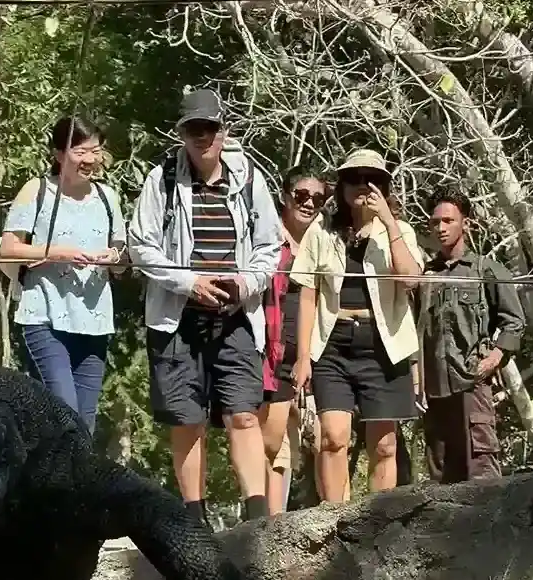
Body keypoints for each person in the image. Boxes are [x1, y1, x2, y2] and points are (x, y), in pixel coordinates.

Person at [127, 88, 282, 527]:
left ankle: (258, 520)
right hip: (177, 318)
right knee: (186, 421)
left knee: (244, 415)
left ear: (223, 130)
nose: (202, 137)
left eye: (210, 128)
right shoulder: (160, 179)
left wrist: (245, 282)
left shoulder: (249, 177)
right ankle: (193, 521)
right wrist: (189, 282)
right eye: (194, 129)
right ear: (182, 133)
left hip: (235, 317)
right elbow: (142, 245)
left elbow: (270, 245)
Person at [290, 148, 425, 502]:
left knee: (384, 445)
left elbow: (411, 280)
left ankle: (377, 523)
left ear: (383, 186)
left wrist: (388, 222)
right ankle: (334, 519)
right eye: (353, 180)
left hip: (385, 345)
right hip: (333, 344)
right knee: (332, 437)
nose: (361, 187)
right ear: (342, 187)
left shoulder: (399, 231)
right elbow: (307, 291)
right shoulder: (322, 231)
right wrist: (303, 356)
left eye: (371, 180)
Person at [0, 115, 126, 438]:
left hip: (95, 322)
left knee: (85, 421)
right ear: (58, 155)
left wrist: (112, 257)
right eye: (80, 152)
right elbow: (8, 248)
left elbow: (121, 256)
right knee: (62, 411)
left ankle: (75, 486)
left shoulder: (108, 198)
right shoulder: (37, 190)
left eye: (95, 151)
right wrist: (55, 252)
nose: (90, 160)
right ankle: (47, 484)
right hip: (45, 316)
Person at [418, 185, 525, 483]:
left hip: (471, 385)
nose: (440, 228)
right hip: (435, 392)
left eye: (448, 221)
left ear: (465, 223)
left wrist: (495, 357)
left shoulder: (486, 270)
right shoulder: (426, 275)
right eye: (435, 222)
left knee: (482, 473)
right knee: (441, 477)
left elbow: (515, 322)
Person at [260, 166, 328, 514]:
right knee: (270, 442)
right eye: (302, 195)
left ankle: (287, 524)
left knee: (313, 442)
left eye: (318, 198)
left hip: (314, 351)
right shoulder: (267, 239)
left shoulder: (327, 241)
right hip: (271, 348)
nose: (309, 204)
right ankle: (264, 526)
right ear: (286, 196)